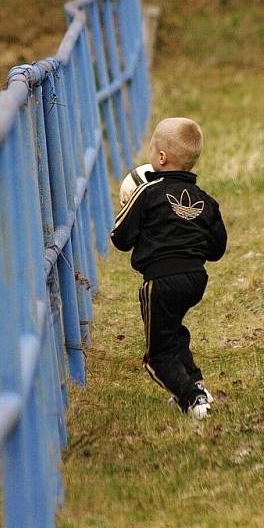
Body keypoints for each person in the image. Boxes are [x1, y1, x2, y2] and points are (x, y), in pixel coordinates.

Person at [110, 117, 227, 420]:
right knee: (173, 331)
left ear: (161, 158)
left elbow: (120, 239)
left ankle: (192, 398)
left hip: (160, 282)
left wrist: (126, 209)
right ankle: (194, 382)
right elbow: (217, 250)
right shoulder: (207, 201)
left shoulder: (146, 194)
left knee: (157, 355)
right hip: (195, 280)